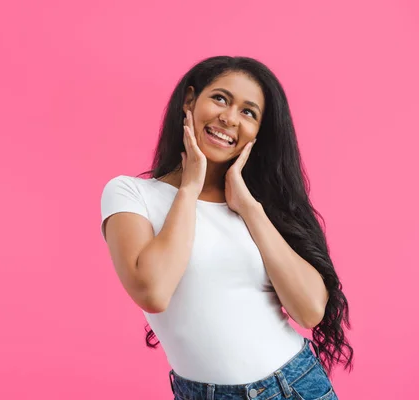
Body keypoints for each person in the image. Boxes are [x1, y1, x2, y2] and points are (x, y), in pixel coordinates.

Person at [100, 56, 353, 400]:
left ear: (259, 132)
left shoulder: (262, 205)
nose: (229, 118)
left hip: (294, 386)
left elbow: (309, 311)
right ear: (190, 100)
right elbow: (153, 292)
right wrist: (189, 188)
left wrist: (249, 208)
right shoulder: (131, 194)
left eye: (248, 112)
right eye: (220, 98)